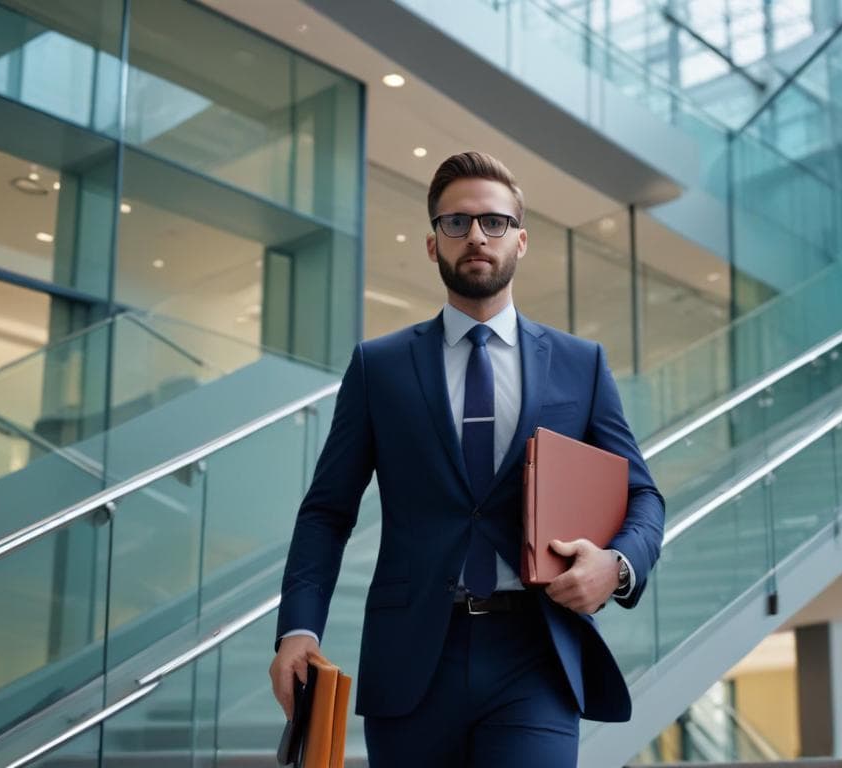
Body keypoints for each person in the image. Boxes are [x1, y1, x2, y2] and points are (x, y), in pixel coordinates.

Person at [268, 151, 665, 767]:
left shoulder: (580, 364)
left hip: (535, 655)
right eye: (455, 223)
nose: (476, 235)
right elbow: (326, 511)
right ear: (433, 245)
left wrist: (615, 567)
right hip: (412, 657)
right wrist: (299, 627)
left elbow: (644, 496)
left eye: (494, 222)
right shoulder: (380, 367)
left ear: (521, 240)